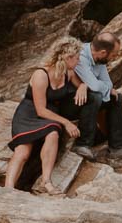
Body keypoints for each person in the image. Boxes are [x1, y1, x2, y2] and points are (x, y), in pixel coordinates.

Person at [5, 38, 83, 194]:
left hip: (50, 117)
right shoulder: (41, 74)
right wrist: (67, 122)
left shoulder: (69, 73)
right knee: (23, 151)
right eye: (77, 57)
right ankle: (7, 189)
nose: (79, 60)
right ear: (68, 58)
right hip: (29, 114)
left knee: (53, 132)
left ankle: (46, 182)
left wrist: (84, 87)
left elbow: (81, 84)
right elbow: (40, 110)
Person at [72, 31, 122, 161]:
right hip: (71, 100)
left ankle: (117, 148)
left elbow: (107, 83)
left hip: (88, 98)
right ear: (103, 53)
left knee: (116, 97)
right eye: (113, 55)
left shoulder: (100, 60)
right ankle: (82, 144)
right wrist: (101, 87)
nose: (114, 58)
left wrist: (104, 88)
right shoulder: (80, 56)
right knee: (96, 95)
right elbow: (95, 87)